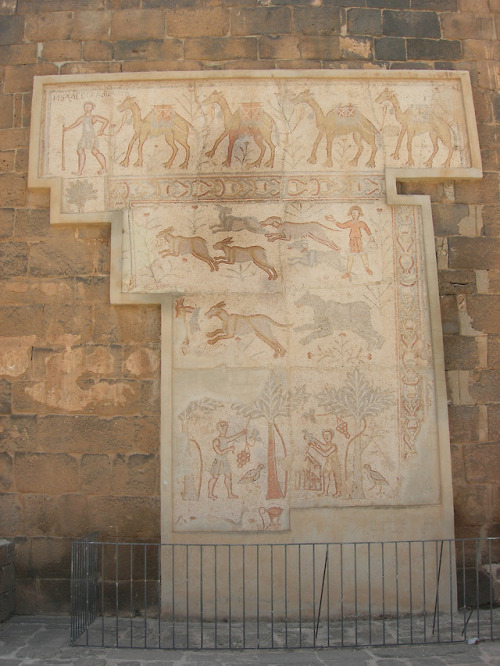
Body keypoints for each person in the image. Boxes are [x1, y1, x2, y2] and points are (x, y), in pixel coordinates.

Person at [325, 205, 374, 278]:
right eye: (353, 213)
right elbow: (342, 225)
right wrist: (333, 221)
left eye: (356, 213)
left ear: (359, 214)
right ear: (351, 214)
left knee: (363, 254)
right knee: (350, 256)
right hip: (352, 241)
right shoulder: (350, 222)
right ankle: (348, 272)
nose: (354, 214)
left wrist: (371, 236)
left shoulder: (361, 223)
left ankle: (367, 268)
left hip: (359, 241)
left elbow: (367, 229)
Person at [63, 102, 109, 176]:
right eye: (85, 106)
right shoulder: (82, 118)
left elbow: (106, 121)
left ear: (92, 108)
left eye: (89, 106)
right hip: (84, 137)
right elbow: (76, 123)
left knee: (95, 151)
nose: (87, 107)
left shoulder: (94, 117)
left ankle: (104, 168)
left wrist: (102, 130)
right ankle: (79, 171)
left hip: (91, 137)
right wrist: (67, 128)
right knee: (80, 151)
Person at [207, 421, 245, 500]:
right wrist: (229, 449)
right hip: (219, 461)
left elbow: (233, 437)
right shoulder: (216, 440)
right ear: (218, 429)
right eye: (222, 427)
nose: (224, 429)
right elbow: (220, 452)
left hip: (224, 460)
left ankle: (230, 494)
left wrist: (242, 433)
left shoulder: (224, 439)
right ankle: (210, 494)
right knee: (215, 477)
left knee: (228, 476)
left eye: (225, 427)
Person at [307, 429, 343, 497]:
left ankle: (338, 492)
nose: (326, 437)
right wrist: (314, 439)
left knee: (337, 477)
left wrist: (314, 447)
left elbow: (325, 454)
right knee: (325, 475)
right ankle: (325, 492)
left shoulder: (333, 446)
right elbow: (322, 446)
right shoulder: (326, 445)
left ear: (331, 436)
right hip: (328, 463)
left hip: (335, 463)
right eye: (324, 435)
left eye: (328, 435)